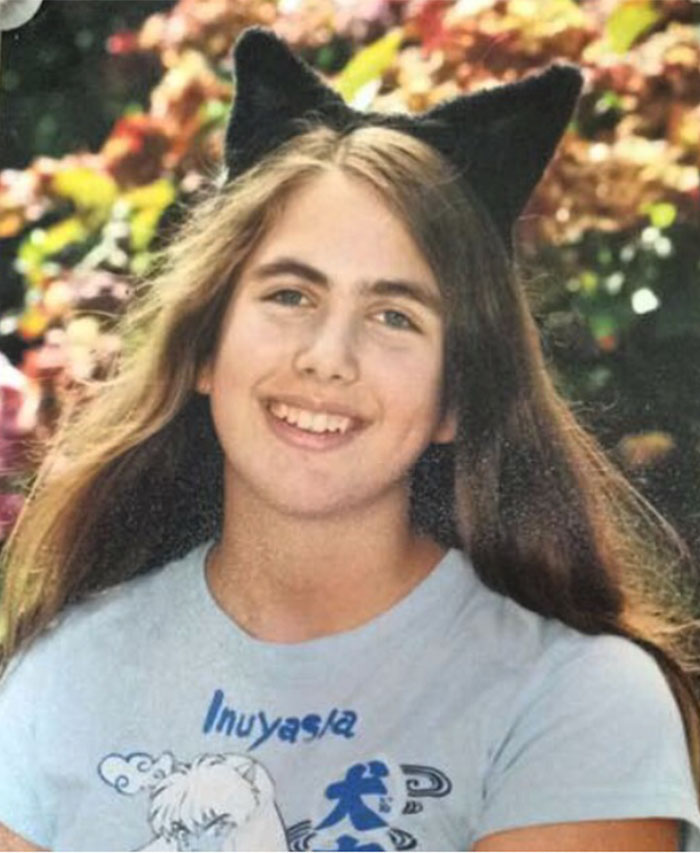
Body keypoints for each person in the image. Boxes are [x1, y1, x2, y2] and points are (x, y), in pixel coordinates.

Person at [0, 25, 699, 852]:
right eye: (290, 295)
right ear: (205, 350)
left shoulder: (576, 700)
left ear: (457, 398)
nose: (328, 356)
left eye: (394, 315)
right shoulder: (64, 675)